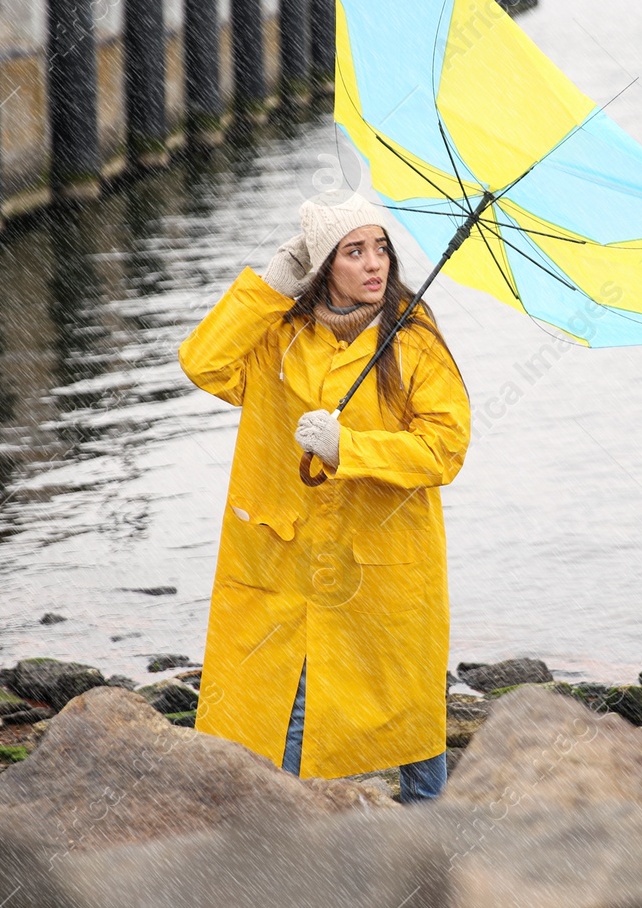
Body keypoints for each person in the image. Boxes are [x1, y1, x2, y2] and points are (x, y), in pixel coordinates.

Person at [178, 191, 470, 802]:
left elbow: (445, 447)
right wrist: (269, 284)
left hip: (383, 558)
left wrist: (351, 449)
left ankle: (431, 834)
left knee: (410, 712)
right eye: (353, 251)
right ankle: (284, 838)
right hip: (282, 557)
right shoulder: (280, 336)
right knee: (280, 704)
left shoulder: (412, 337)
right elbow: (203, 363)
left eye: (381, 248)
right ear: (321, 266)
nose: (375, 265)